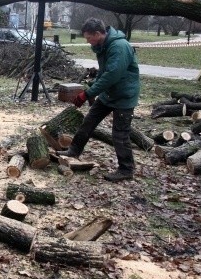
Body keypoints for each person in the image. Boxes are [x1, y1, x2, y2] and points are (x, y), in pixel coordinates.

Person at [57, 18, 140, 182]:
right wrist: (91, 88)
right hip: (109, 94)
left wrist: (87, 94)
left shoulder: (119, 47)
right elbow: (103, 73)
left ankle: (126, 169)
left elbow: (111, 76)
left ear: (97, 33)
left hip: (124, 96)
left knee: (120, 134)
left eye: (89, 38)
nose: (88, 42)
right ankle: (74, 150)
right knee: (89, 121)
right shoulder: (103, 46)